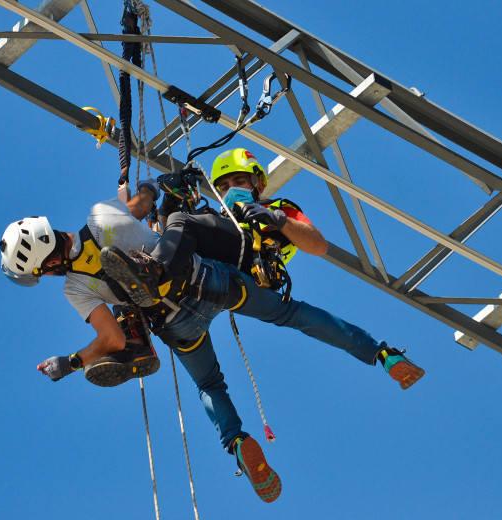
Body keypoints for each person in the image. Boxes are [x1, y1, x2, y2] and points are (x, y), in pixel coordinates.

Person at [0, 181, 282, 502]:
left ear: (49, 264)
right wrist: (148, 189)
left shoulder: (76, 284)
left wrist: (70, 363)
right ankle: (134, 339)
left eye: (44, 273)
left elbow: (109, 337)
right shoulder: (98, 222)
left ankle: (235, 439)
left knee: (208, 382)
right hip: (196, 268)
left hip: (170, 303)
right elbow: (141, 205)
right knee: (137, 274)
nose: (50, 276)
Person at [101, 148, 425, 390]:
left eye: (239, 180)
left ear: (257, 183)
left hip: (253, 269)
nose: (231, 188)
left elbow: (318, 245)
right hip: (219, 280)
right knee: (130, 265)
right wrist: (169, 203)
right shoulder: (215, 218)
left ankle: (381, 353)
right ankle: (134, 342)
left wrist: (275, 219)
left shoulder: (276, 208)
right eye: (224, 185)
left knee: (303, 317)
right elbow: (168, 239)